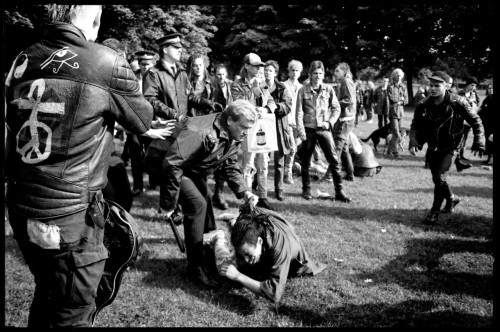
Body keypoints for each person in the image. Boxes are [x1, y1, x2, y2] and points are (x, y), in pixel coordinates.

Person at [5, 5, 155, 327]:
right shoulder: (104, 61)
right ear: (94, 18)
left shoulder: (23, 58)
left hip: (21, 206)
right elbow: (143, 119)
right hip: (70, 215)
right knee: (72, 308)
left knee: (49, 293)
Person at [146, 100, 260, 287]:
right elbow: (172, 164)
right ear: (230, 120)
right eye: (244, 127)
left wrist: (244, 192)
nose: (246, 132)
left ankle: (209, 254)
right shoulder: (201, 131)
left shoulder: (233, 131)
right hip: (164, 163)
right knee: (197, 205)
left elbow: (230, 164)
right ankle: (195, 268)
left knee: (205, 200)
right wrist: (169, 204)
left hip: (188, 166)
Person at [409, 71, 485, 225]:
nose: (433, 88)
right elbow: (415, 125)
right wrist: (413, 140)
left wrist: (479, 140)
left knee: (439, 176)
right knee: (437, 178)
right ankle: (452, 198)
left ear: (446, 86)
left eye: (437, 85)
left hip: (452, 145)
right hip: (433, 145)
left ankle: (434, 212)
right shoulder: (423, 104)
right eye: (431, 85)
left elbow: (476, 120)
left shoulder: (458, 102)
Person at [219, 203, 327, 304]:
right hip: (268, 240)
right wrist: (234, 258)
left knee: (245, 270)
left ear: (260, 241)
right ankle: (231, 222)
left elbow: (274, 294)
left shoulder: (280, 247)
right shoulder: (248, 218)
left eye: (248, 255)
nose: (246, 260)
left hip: (292, 257)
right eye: (243, 255)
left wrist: (238, 276)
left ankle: (223, 232)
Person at [296, 60, 351, 202]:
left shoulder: (328, 89)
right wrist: (301, 132)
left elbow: (336, 108)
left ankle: (340, 192)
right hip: (308, 130)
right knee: (306, 162)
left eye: (320, 73)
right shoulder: (302, 90)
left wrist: (330, 122)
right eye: (315, 73)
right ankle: (306, 190)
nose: (318, 76)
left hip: (324, 130)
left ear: (323, 74)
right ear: (310, 74)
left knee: (334, 160)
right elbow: (299, 113)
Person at [231, 53, 277, 210]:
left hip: (262, 128)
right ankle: (248, 198)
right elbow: (239, 104)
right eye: (256, 65)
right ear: (246, 66)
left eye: (260, 66)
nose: (259, 68)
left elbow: (271, 102)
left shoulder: (262, 83)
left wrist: (266, 109)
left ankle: (263, 197)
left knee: (263, 163)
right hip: (247, 130)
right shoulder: (237, 84)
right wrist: (254, 89)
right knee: (248, 164)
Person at [143, 32, 190, 121]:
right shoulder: (153, 74)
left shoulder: (182, 72)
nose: (180, 50)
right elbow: (150, 99)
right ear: (165, 50)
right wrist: (173, 114)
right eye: (176, 47)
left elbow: (190, 96)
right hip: (164, 127)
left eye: (180, 47)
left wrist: (208, 103)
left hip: (183, 125)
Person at [263, 60, 292, 201]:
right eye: (265, 70)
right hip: (263, 128)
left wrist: (277, 107)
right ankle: (259, 184)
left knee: (279, 161)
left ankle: (278, 189)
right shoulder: (260, 87)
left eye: (270, 70)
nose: (267, 72)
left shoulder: (282, 88)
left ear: (275, 73)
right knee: (262, 159)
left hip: (279, 128)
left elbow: (288, 106)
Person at [327, 62, 356, 182]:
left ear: (344, 72)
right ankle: (350, 174)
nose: (335, 72)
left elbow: (349, 100)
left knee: (337, 149)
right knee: (343, 149)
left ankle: (329, 176)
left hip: (345, 119)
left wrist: (335, 103)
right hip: (346, 118)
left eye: (338, 71)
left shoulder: (346, 81)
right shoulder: (344, 81)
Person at [211, 63, 234, 210]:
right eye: (218, 74)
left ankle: (218, 194)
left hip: (229, 126)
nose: (221, 77)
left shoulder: (232, 86)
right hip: (214, 125)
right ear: (215, 75)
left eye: (223, 74)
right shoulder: (212, 87)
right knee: (213, 160)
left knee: (224, 161)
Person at [281, 59, 304, 185]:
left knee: (293, 148)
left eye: (297, 70)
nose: (295, 73)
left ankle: (290, 167)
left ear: (300, 73)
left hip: (298, 122)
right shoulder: (283, 85)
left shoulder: (302, 87)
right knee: (292, 148)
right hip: (287, 120)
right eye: (292, 70)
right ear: (289, 72)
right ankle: (287, 173)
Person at [186, 52, 222, 117]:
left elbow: (219, 100)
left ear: (204, 65)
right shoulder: (186, 81)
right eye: (195, 65)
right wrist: (207, 102)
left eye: (200, 65)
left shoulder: (213, 81)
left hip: (209, 117)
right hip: (192, 117)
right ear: (191, 67)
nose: (198, 68)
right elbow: (189, 97)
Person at [456, 77, 481, 165]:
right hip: (460, 120)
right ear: (467, 84)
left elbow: (477, 103)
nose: (474, 87)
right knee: (459, 138)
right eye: (472, 85)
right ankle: (457, 156)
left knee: (465, 138)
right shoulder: (460, 93)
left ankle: (461, 155)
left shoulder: (474, 94)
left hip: (469, 121)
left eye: (475, 86)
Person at [387, 68, 409, 158]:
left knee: (396, 133)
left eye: (400, 75)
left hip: (401, 112)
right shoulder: (390, 86)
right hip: (393, 112)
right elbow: (392, 99)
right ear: (394, 76)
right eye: (397, 75)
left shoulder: (403, 87)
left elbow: (406, 100)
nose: (399, 77)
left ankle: (389, 151)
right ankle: (396, 153)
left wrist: (401, 101)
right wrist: (401, 100)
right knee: (396, 132)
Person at [478, 84, 493, 165]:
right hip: (486, 124)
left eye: (492, 88)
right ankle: (489, 158)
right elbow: (482, 109)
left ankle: (490, 159)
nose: (490, 89)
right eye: (489, 88)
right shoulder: (487, 98)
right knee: (488, 141)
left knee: (491, 141)